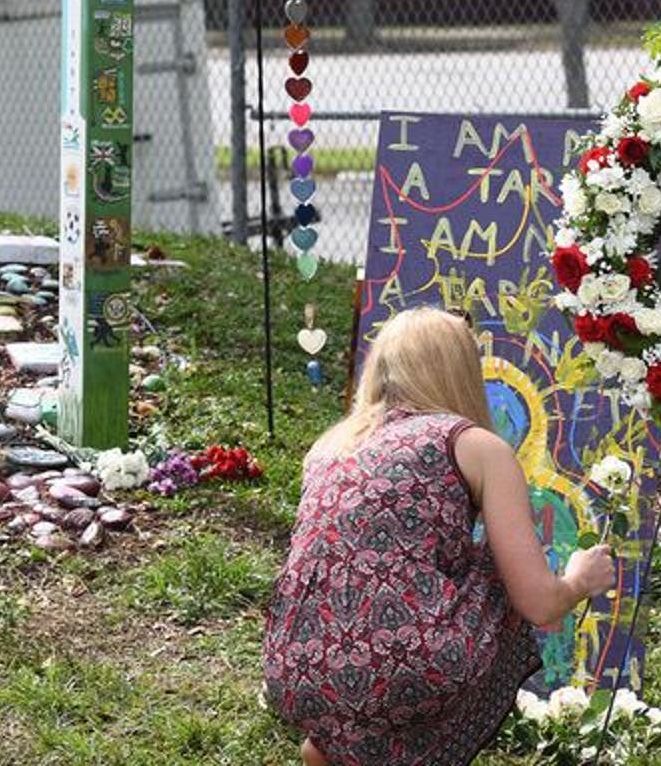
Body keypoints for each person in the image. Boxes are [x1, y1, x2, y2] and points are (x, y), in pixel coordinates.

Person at [263, 307, 617, 766]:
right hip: (408, 667)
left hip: (294, 670)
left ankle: (335, 751)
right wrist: (578, 581)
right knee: (495, 572)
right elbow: (538, 604)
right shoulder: (473, 445)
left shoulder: (329, 445)